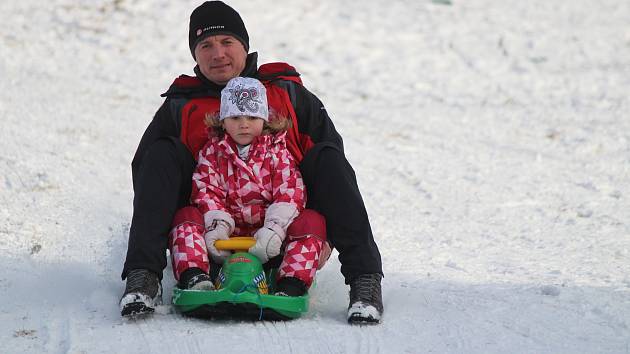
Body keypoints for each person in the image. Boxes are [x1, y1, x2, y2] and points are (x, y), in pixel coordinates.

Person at [120, 1, 384, 324]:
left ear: (244, 45)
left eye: (226, 42)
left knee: (327, 158)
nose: (218, 53)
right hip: (210, 239)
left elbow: (333, 164)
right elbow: (145, 173)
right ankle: (143, 278)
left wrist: (311, 227)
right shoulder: (181, 106)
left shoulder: (285, 92)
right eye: (206, 45)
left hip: (284, 232)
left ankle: (365, 280)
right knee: (160, 153)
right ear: (195, 55)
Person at [167, 76, 327, 297]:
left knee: (311, 221)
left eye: (252, 117)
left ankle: (291, 283)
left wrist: (274, 231)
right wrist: (217, 229)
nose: (244, 124)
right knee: (186, 215)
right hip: (224, 245)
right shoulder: (212, 154)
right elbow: (206, 192)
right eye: (235, 117)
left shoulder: (278, 153)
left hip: (271, 245)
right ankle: (195, 276)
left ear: (264, 119)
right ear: (223, 121)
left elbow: (289, 195)